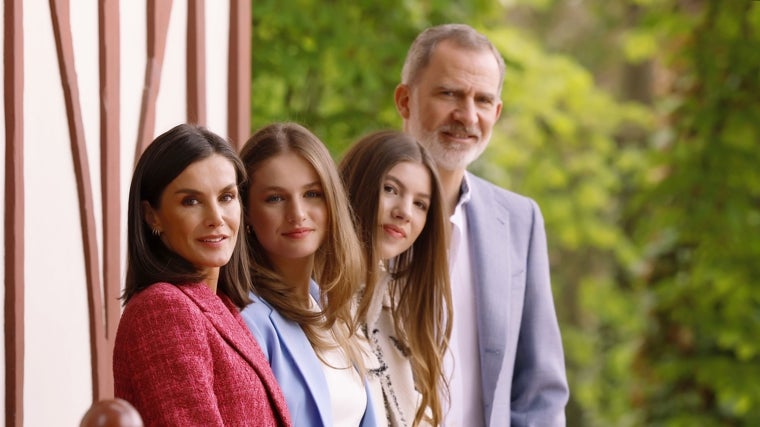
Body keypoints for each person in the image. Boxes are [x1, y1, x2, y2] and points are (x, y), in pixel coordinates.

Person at [393, 24, 569, 426]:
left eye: (483, 100)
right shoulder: (347, 209)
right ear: (405, 100)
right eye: (449, 93)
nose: (467, 115)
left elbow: (540, 389)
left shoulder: (520, 221)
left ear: (497, 112)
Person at [113, 123, 292, 426]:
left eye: (226, 197)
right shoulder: (163, 308)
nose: (216, 218)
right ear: (151, 215)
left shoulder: (220, 306)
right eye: (191, 201)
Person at [239, 122, 379, 427]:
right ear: (246, 212)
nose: (297, 213)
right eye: (275, 198)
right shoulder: (246, 320)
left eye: (312, 194)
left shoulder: (331, 310)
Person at [339, 130, 452, 427]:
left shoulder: (397, 315)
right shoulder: (317, 299)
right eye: (390, 189)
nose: (404, 212)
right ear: (358, 185)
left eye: (420, 204)